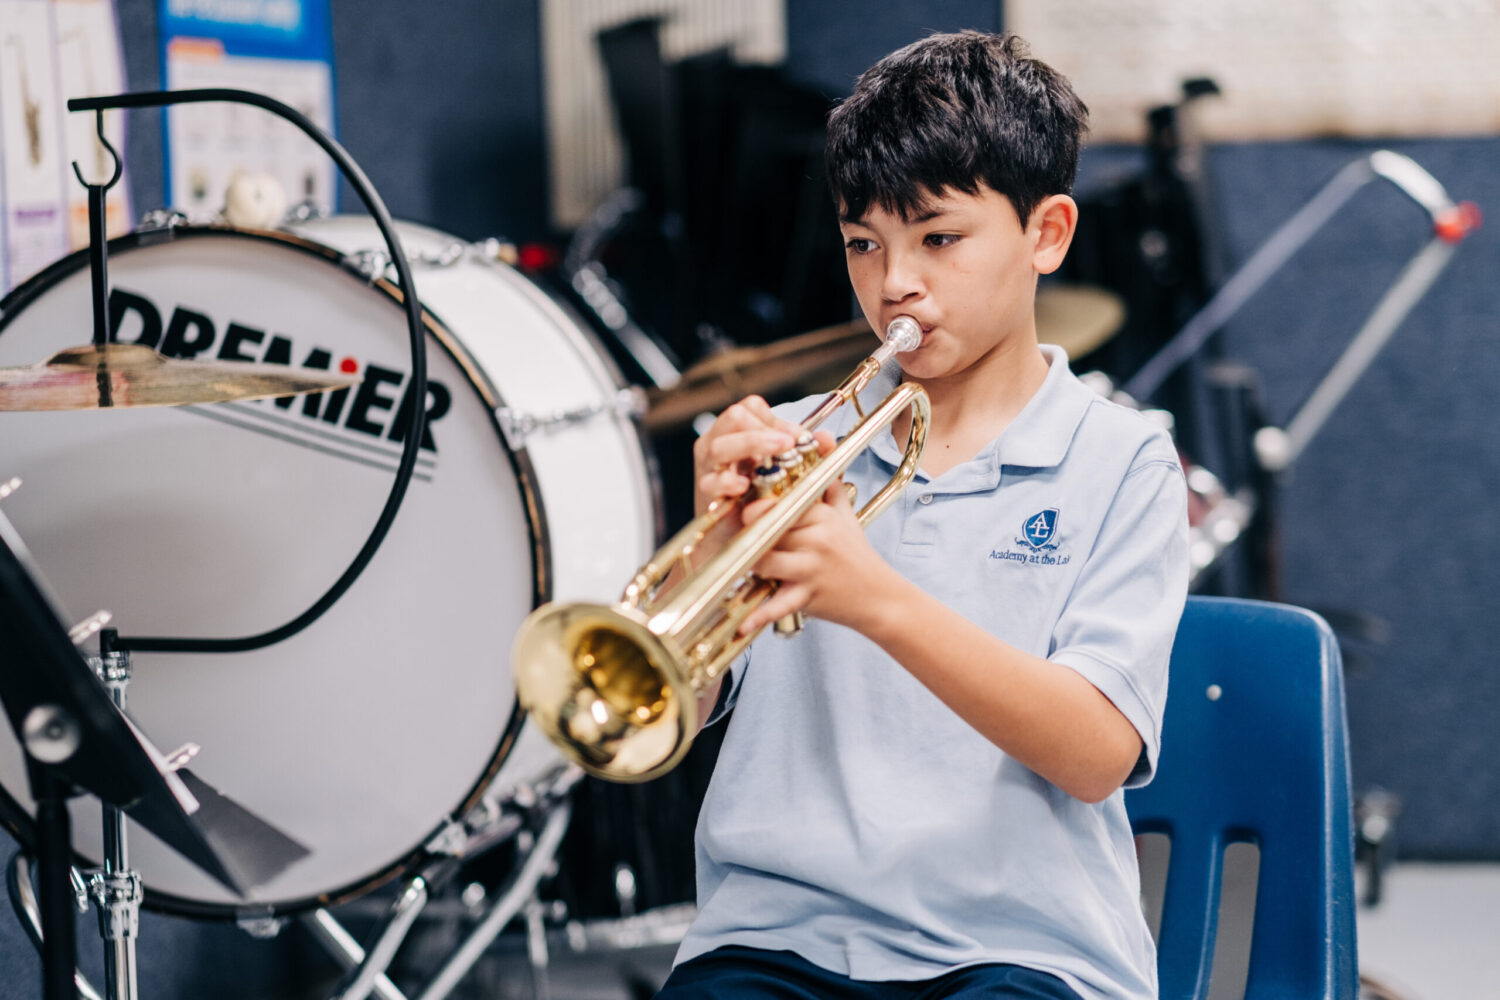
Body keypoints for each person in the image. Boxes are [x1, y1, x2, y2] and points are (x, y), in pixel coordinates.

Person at [655, 30, 1189, 1000]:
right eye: (865, 243)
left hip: (1021, 946)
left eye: (938, 238)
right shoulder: (786, 443)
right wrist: (711, 564)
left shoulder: (1124, 458)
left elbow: (1096, 754)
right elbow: (672, 724)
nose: (894, 281)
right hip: (775, 934)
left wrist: (876, 599)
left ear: (1047, 233)